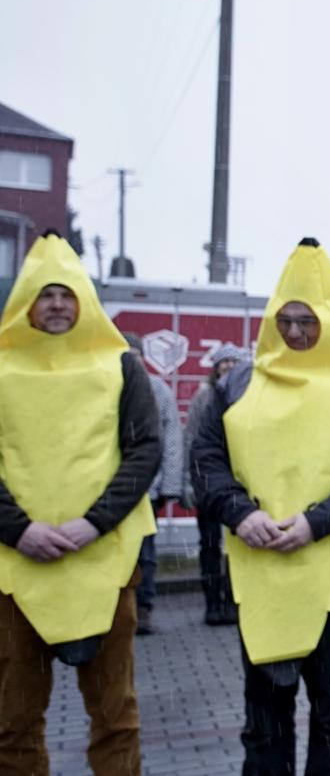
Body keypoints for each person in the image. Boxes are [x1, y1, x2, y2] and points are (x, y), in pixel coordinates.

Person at [191, 238, 330, 775]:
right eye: (285, 320)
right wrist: (242, 513)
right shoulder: (238, 384)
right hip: (259, 572)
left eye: (308, 321)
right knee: (264, 717)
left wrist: (316, 522)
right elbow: (206, 457)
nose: (295, 332)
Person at [0, 232, 160, 775]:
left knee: (115, 716)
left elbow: (144, 449)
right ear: (26, 302)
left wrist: (95, 522)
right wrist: (18, 529)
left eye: (66, 295)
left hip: (105, 564)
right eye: (45, 294)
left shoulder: (120, 366)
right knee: (13, 720)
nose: (56, 305)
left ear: (84, 301)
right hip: (16, 569)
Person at [122, 332, 184, 636]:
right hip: (105, 492)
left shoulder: (158, 389)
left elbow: (172, 440)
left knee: (144, 552)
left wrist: (170, 485)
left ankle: (143, 607)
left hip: (148, 489)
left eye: (135, 357)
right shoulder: (105, 386)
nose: (131, 363)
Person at [183, 341, 247, 625]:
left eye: (234, 361)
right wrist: (189, 479)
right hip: (208, 479)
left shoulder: (249, 393)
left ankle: (234, 602)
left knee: (238, 544)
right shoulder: (204, 396)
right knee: (209, 544)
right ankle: (212, 603)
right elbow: (191, 438)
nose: (229, 366)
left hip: (240, 481)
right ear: (216, 366)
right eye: (224, 361)